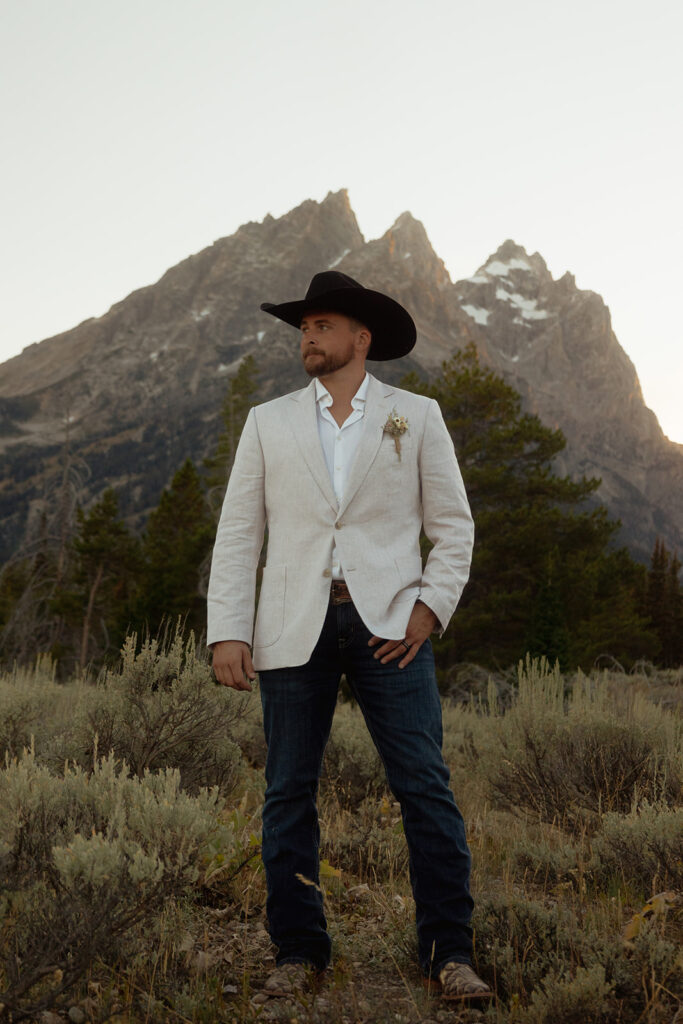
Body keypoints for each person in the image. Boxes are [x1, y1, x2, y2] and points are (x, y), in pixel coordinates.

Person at [207, 271, 491, 1004]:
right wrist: (227, 629)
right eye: (303, 326)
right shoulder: (267, 422)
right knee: (286, 793)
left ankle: (448, 956)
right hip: (291, 627)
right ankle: (298, 953)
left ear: (360, 340)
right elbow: (240, 532)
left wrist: (429, 608)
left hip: (390, 625)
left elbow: (453, 526)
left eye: (322, 325)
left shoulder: (415, 415)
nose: (307, 335)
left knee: (424, 787)